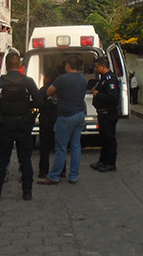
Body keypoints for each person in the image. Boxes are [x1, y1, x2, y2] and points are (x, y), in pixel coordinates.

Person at [0, 53, 43, 202]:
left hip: (6, 125)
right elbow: (39, 101)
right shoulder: (27, 82)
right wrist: (27, 106)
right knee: (25, 160)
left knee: (2, 160)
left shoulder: (0, 82)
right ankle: (27, 193)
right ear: (20, 66)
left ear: (6, 66)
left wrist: (0, 108)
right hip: (24, 124)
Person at [38, 54, 87, 185]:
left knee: (61, 148)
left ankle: (53, 176)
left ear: (68, 65)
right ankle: (73, 176)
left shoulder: (62, 79)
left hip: (66, 116)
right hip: (79, 114)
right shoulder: (83, 79)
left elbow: (49, 91)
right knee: (76, 146)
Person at [90, 57, 121, 173]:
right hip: (102, 114)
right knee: (103, 139)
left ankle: (110, 163)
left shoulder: (110, 79)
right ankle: (102, 161)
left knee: (109, 139)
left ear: (103, 66)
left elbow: (112, 97)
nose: (96, 69)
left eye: (97, 66)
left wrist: (98, 94)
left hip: (108, 114)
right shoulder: (103, 79)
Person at [38, 68, 59, 179]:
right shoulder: (59, 89)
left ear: (48, 78)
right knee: (59, 147)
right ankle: (62, 170)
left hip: (45, 121)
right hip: (58, 120)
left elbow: (37, 103)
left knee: (44, 148)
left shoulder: (43, 90)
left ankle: (43, 171)